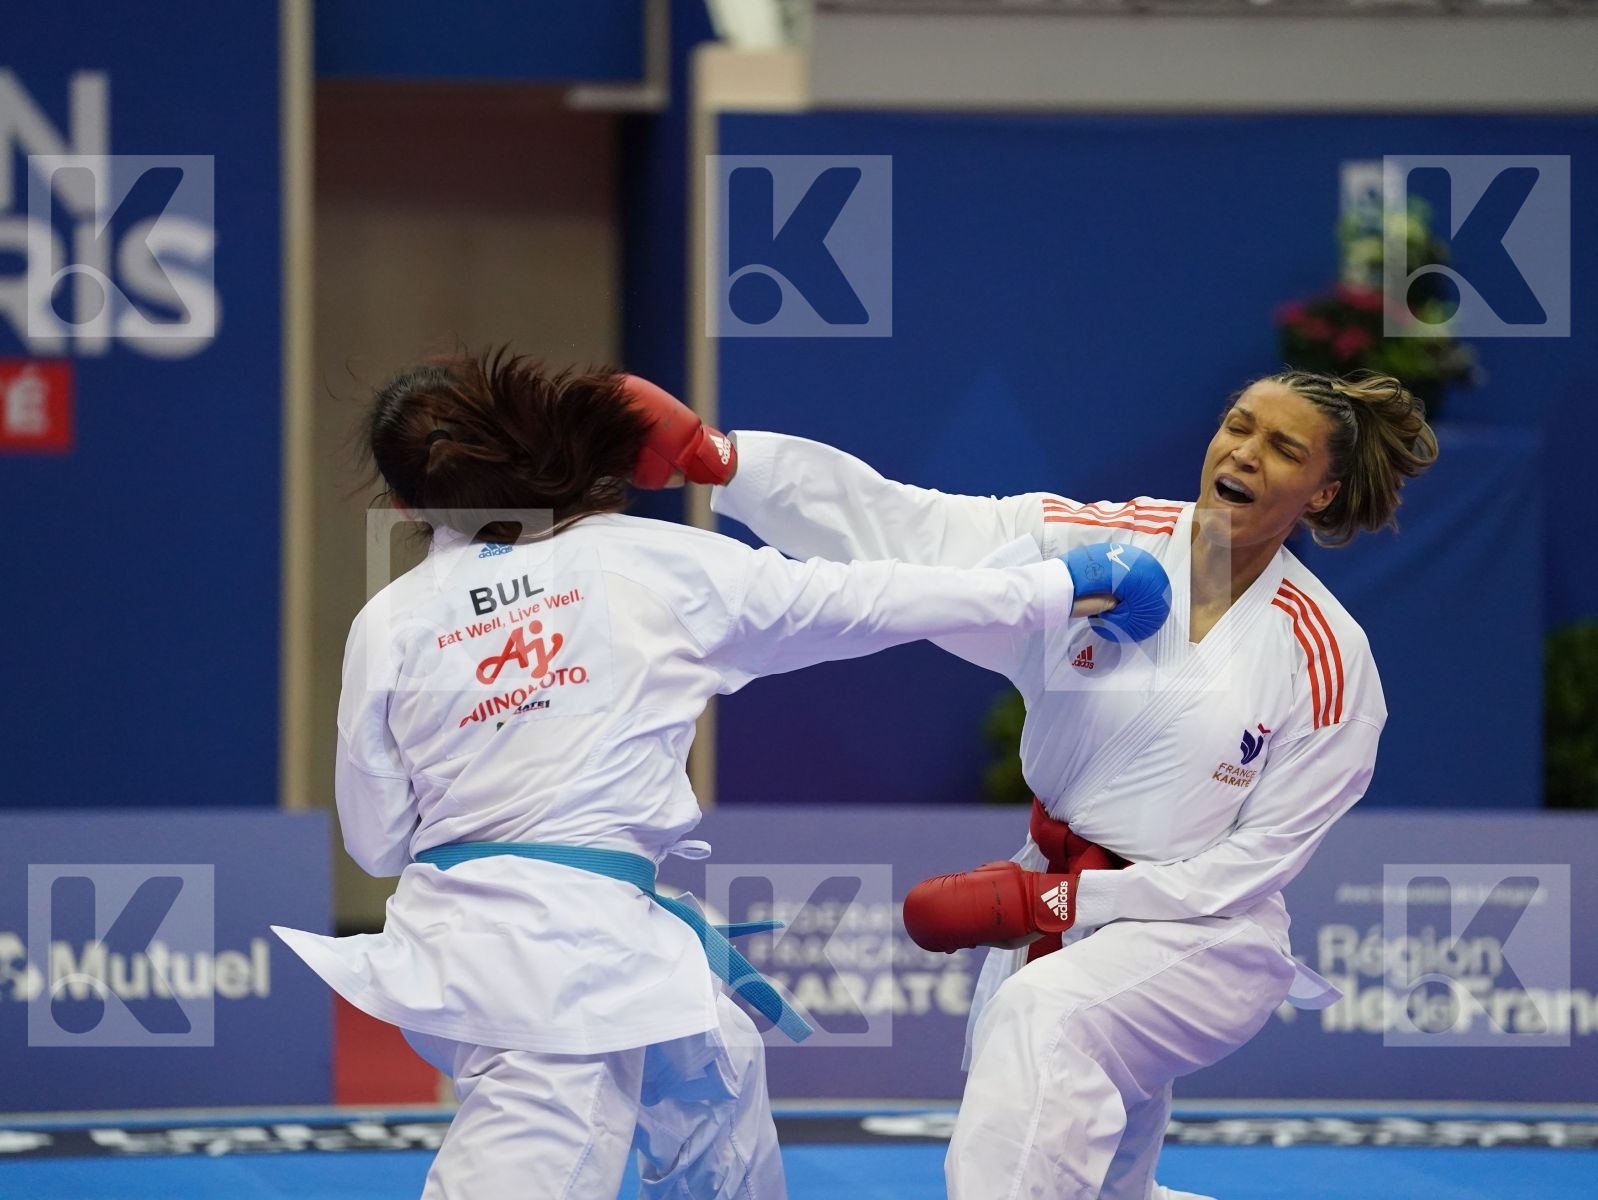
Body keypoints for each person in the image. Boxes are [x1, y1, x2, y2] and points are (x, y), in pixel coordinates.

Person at [271, 348, 1171, 1200]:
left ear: (406, 502)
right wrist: (1061, 582)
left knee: (715, 1069)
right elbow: (868, 599)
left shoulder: (388, 621)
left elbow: (378, 842)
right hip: (566, 972)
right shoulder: (645, 560)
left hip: (471, 942)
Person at [709, 369, 1439, 1200]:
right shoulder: (1101, 550)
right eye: (1239, 425)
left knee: (1046, 1018)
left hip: (1205, 935)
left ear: (1322, 492)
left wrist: (1054, 905)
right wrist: (729, 463)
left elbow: (1251, 868)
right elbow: (907, 526)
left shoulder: (1330, 661)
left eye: (1283, 448)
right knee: (1100, 1178)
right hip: (1060, 902)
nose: (1245, 451)